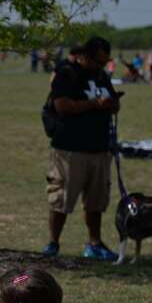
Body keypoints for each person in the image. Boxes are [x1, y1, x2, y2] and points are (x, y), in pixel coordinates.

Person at [42, 36, 120, 260]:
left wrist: (112, 105)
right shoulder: (66, 73)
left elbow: (114, 102)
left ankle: (94, 244)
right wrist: (95, 105)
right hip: (70, 149)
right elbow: (62, 105)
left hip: (99, 148)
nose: (100, 66)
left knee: (96, 201)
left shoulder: (102, 76)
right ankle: (53, 243)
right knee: (62, 198)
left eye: (104, 62)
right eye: (97, 61)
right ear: (84, 56)